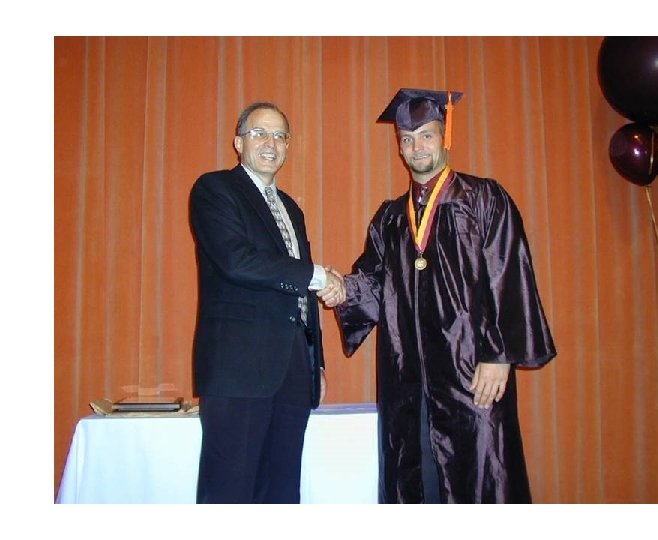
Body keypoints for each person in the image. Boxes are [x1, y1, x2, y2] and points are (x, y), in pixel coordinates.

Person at [323, 88, 556, 503]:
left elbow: (509, 273)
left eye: (426, 136)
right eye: (407, 139)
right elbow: (373, 284)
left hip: (470, 373)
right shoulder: (390, 218)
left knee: (481, 475)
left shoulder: (483, 199)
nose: (417, 147)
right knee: (418, 478)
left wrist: (499, 355)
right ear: (399, 147)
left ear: (445, 137)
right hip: (408, 377)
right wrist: (340, 287)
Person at [189, 101, 345, 503]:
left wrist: (315, 363)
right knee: (230, 493)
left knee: (282, 490)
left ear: (288, 146)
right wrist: (320, 276)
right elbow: (237, 261)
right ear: (238, 142)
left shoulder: (292, 208)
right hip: (238, 369)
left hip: (292, 371)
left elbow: (299, 291)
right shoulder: (214, 190)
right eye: (259, 133)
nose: (270, 143)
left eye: (279, 136)